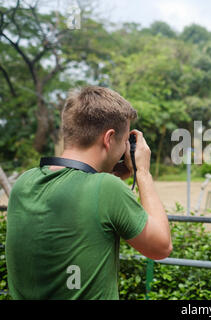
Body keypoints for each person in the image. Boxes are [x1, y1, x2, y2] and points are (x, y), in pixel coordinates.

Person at [5, 85, 172, 299]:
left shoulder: (25, 182)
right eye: (123, 142)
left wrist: (106, 175)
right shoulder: (106, 189)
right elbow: (161, 247)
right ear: (109, 138)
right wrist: (144, 173)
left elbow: (74, 209)